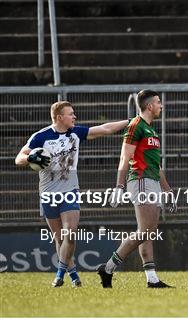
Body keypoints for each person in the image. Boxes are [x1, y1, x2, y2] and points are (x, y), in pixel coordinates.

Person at [15, 101, 129, 287]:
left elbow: (105, 129)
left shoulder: (75, 133)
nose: (74, 117)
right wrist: (29, 158)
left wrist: (130, 121)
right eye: (71, 113)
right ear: (60, 117)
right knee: (59, 238)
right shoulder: (41, 137)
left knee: (70, 234)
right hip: (48, 194)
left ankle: (59, 274)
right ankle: (73, 275)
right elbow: (18, 158)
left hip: (70, 192)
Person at [97, 89, 177, 288]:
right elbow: (125, 157)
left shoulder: (151, 129)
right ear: (149, 106)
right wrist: (119, 186)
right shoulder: (136, 125)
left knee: (148, 232)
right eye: (158, 102)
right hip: (140, 180)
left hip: (152, 180)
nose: (161, 106)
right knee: (145, 231)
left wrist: (167, 190)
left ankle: (152, 278)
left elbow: (157, 165)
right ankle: (107, 268)